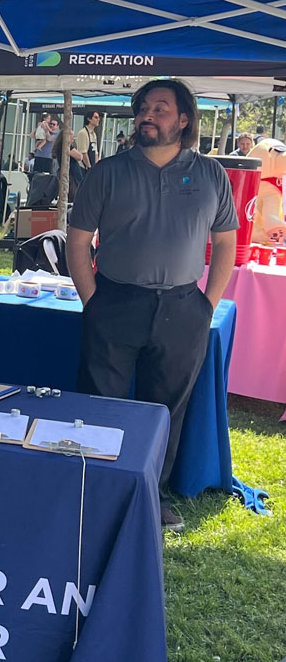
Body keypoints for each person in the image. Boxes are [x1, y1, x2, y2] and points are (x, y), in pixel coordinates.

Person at [67, 79, 237, 533]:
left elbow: (225, 244)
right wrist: (93, 302)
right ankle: (94, 488)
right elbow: (78, 243)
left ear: (184, 120)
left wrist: (207, 304)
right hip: (115, 301)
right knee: (99, 403)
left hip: (184, 308)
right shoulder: (107, 172)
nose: (148, 113)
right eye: (143, 107)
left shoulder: (211, 175)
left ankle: (150, 495)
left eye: (160, 108)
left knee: (164, 411)